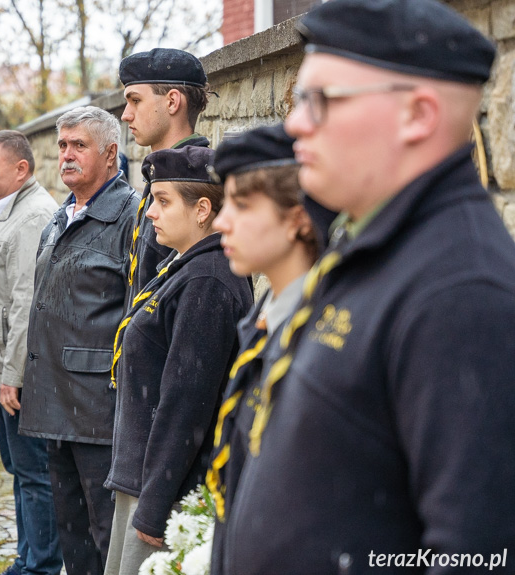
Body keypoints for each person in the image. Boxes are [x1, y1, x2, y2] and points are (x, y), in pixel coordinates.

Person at [222, 0, 515, 571]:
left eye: (320, 100)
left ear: (417, 115)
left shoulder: (461, 290)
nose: (296, 123)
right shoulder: (376, 245)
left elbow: (476, 554)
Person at [103, 147, 252, 574]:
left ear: (203, 209)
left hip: (164, 486)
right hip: (144, 476)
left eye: (163, 201)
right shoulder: (184, 266)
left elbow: (186, 403)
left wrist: (153, 502)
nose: (150, 212)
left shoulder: (207, 281)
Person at [203, 124, 336, 575]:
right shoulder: (265, 317)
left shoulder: (325, 335)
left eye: (241, 204)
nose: (221, 221)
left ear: (297, 216)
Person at [18, 106, 138, 575]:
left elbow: (136, 315)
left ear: (111, 154)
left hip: (98, 409)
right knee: (72, 536)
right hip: (53, 401)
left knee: (106, 535)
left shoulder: (130, 216)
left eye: (78, 146)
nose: (65, 155)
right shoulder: (60, 215)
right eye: (62, 145)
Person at [0, 130, 61, 575]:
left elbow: (26, 300)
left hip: (17, 370)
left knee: (34, 473)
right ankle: (27, 557)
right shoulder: (8, 211)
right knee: (19, 469)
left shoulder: (31, 216)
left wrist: (12, 372)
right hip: (3, 366)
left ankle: (39, 565)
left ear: (21, 169)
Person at [119, 48, 211, 306]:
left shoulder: (196, 181)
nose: (126, 114)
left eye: (135, 100)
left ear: (172, 102)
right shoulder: (160, 174)